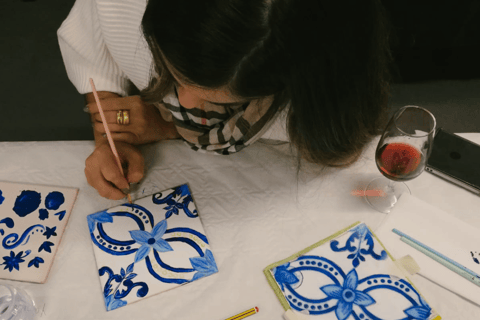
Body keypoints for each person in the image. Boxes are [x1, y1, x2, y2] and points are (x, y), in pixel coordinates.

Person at [57, 0, 393, 200]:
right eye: (174, 74)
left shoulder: (322, 76)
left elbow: (339, 145)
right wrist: (110, 138)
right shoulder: (119, 6)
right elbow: (89, 46)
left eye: (219, 99)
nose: (185, 104)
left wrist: (167, 125)